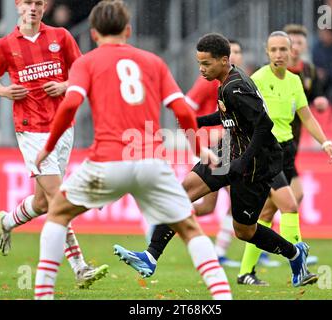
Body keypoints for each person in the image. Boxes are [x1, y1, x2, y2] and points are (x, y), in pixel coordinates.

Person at [33, 0, 232, 300]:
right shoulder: (153, 62)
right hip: (152, 162)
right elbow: (181, 109)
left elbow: (70, 105)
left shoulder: (87, 62)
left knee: (58, 213)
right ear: (128, 29)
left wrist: (47, 147)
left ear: (94, 33)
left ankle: (43, 294)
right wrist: (198, 148)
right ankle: (222, 298)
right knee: (190, 228)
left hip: (107, 162)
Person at [114, 32, 316, 289]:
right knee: (182, 192)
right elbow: (230, 117)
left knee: (245, 231)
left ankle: (295, 255)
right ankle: (150, 257)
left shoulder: (236, 86)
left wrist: (243, 162)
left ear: (223, 60)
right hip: (229, 149)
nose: (201, 69)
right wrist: (198, 122)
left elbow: (264, 126)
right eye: (199, 63)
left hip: (255, 164)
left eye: (206, 64)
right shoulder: (226, 82)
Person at [0, 0, 107, 289]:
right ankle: (80, 267)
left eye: (38, 2)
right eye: (28, 2)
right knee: (57, 198)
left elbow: (82, 72)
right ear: (18, 5)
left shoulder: (61, 37)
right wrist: (4, 91)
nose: (33, 7)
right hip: (30, 129)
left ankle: (8, 222)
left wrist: (64, 86)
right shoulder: (4, 45)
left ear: (44, 6)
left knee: (42, 201)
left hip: (63, 127)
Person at [237, 31, 332, 286]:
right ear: (267, 52)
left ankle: (245, 272)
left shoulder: (294, 82)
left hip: (286, 151)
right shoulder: (257, 79)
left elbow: (306, 116)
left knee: (267, 214)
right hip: (265, 152)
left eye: (283, 49)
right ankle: (299, 268)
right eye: (274, 50)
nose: (279, 54)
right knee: (290, 205)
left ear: (292, 51)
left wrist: (324, 142)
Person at [174, 39, 244, 268]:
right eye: (233, 51)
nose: (236, 56)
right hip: (213, 150)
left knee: (206, 207)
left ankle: (161, 218)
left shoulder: (236, 80)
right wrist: (199, 139)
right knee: (238, 195)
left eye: (239, 52)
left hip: (228, 147)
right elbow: (185, 109)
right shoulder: (208, 81)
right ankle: (220, 252)